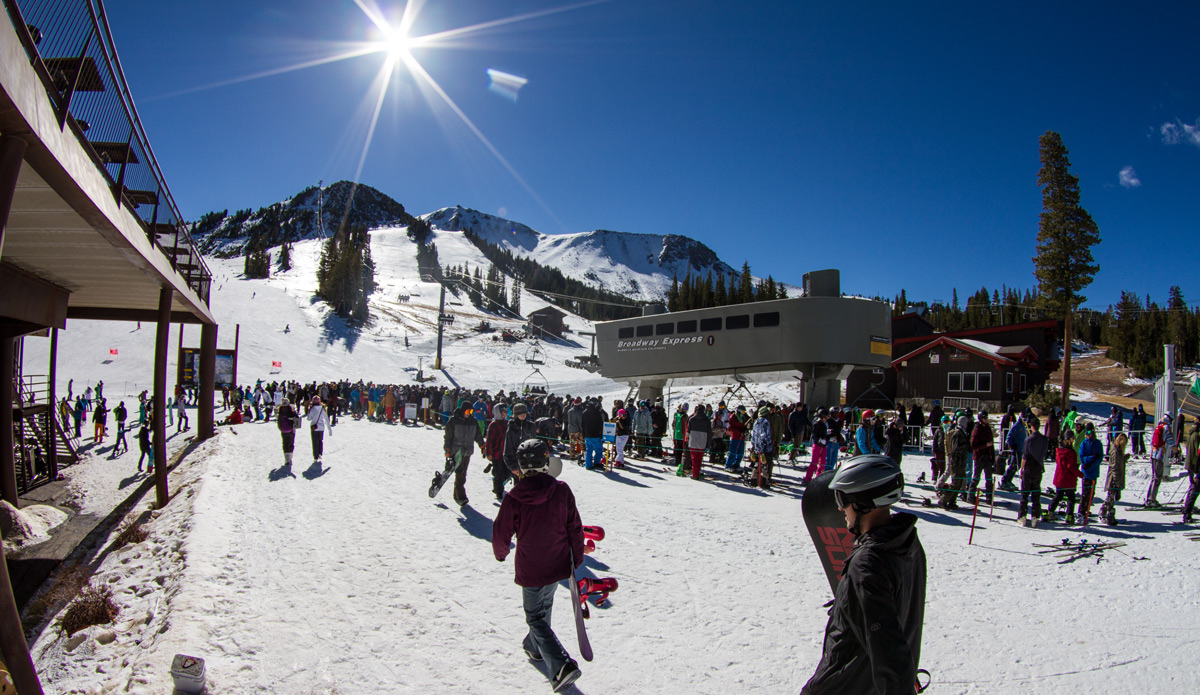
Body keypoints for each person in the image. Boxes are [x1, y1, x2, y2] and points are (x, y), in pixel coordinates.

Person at [800, 454, 925, 695]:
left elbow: (886, 647)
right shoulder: (907, 544)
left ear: (862, 503)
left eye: (842, 498)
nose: (839, 508)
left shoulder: (867, 564)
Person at [491, 439, 585, 693]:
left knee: (535, 616)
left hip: (531, 566)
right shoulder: (562, 490)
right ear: (546, 463)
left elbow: (501, 531)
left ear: (521, 467)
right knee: (545, 606)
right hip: (557, 562)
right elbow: (574, 526)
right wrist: (576, 557)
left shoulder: (514, 498)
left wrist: (501, 553)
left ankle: (561, 665)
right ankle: (534, 648)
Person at [1018, 417, 1050, 527]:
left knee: (1025, 494)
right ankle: (1035, 517)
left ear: (1031, 427)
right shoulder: (1044, 439)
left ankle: (1022, 516)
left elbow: (1025, 456)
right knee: (1036, 494)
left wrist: (1021, 469)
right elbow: (1045, 454)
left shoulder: (1028, 440)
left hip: (1028, 468)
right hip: (1038, 468)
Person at [1045, 432, 1081, 524]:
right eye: (1072, 438)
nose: (1073, 440)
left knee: (1058, 496)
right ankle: (1069, 516)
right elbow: (1070, 466)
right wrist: (1081, 474)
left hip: (1060, 478)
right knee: (1071, 498)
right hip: (1068, 479)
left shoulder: (1059, 451)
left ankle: (1050, 512)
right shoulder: (1071, 453)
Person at [1100, 432, 1129, 526]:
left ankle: (1103, 511)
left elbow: (1119, 462)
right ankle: (1109, 515)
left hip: (1116, 478)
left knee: (1110, 497)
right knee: (1111, 497)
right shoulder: (1116, 451)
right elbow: (1114, 466)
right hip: (1113, 479)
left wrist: (1124, 458)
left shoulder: (1119, 451)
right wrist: (1116, 480)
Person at [1077, 423, 1104, 524]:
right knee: (1085, 494)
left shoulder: (1097, 443)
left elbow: (1099, 457)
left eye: (1089, 432)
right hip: (1086, 472)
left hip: (1093, 472)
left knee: (1091, 493)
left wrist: (1093, 463)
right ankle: (1081, 512)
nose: (1088, 434)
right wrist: (1090, 460)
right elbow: (1082, 457)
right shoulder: (1084, 443)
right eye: (1086, 432)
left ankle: (1087, 510)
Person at [485, 404, 510, 500]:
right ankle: (498, 491)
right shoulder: (493, 425)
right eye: (504, 411)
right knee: (499, 474)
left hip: (506, 453)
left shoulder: (507, 423)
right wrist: (489, 452)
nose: (506, 413)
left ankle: (497, 483)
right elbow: (489, 440)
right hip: (496, 453)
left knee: (507, 472)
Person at [1145, 416, 1171, 508]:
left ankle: (1149, 498)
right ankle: (1152, 499)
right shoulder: (1166, 428)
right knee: (1158, 478)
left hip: (1153, 454)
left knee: (1154, 477)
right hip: (1160, 456)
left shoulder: (1157, 427)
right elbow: (1171, 442)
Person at [683, 404, 711, 479]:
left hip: (693, 442)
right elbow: (709, 434)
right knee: (699, 459)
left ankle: (695, 474)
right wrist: (708, 445)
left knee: (694, 459)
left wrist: (687, 441)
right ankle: (696, 473)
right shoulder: (707, 420)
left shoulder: (692, 419)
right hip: (702, 442)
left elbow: (688, 432)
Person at [580, 399, 606, 471]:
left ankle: (588, 465)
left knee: (589, 450)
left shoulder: (584, 412)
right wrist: (601, 434)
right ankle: (596, 462)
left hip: (587, 434)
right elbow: (600, 423)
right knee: (598, 449)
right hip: (595, 434)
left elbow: (582, 425)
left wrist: (584, 434)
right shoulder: (596, 412)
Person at [1182, 420, 1200, 524]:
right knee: (1194, 490)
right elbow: (1198, 454)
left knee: (1193, 489)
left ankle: (1187, 509)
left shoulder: (1190, 434)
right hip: (1195, 465)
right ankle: (1187, 512)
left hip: (1191, 463)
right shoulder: (1196, 436)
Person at [306, 395, 332, 462]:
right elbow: (326, 419)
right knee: (320, 440)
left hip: (314, 427)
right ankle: (320, 453)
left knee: (315, 442)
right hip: (321, 427)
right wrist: (329, 429)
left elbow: (309, 419)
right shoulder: (322, 409)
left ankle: (315, 456)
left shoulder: (312, 409)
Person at [725, 405, 749, 473]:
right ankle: (728, 465)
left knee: (740, 452)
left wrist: (745, 430)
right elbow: (731, 428)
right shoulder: (733, 417)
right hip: (735, 437)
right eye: (743, 411)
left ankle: (736, 465)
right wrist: (739, 431)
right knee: (733, 452)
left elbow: (744, 425)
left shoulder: (743, 417)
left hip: (741, 437)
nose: (744, 413)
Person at [276, 397, 299, 467]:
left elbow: (278, 420)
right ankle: (290, 456)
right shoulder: (291, 411)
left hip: (283, 430)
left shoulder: (280, 411)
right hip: (291, 430)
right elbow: (297, 418)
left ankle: (286, 459)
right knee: (291, 443)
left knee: (285, 443)